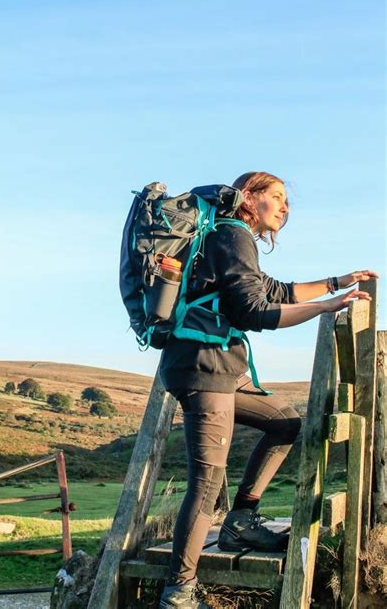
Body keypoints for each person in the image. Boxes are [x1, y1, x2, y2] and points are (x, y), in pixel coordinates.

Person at [158, 171, 378, 609]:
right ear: (248, 197)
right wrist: (325, 308)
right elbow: (255, 309)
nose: (284, 207)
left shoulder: (230, 239)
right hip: (206, 370)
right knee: (205, 484)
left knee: (285, 422)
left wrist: (336, 282)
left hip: (219, 367)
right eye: (275, 197)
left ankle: (240, 518)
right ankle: (178, 592)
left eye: (287, 202)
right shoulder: (231, 233)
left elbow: (273, 289)